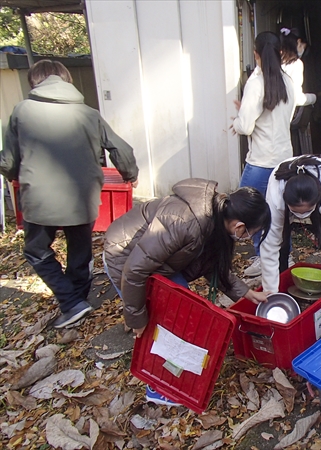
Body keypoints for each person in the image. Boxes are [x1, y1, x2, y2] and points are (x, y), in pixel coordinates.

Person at [103, 179, 271, 405]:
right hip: (123, 255)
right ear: (239, 227)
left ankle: (172, 370)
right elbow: (134, 271)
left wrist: (248, 294)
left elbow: (213, 266)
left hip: (160, 264)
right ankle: (157, 386)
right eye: (251, 233)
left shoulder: (216, 217)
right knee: (164, 324)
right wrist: (137, 318)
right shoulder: (184, 221)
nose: (248, 239)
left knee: (183, 315)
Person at [0, 59, 138, 329]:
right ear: (67, 81)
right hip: (82, 196)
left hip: (39, 198)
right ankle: (76, 300)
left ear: (34, 82)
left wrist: (13, 175)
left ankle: (71, 302)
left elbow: (8, 161)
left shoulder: (21, 111)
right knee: (79, 252)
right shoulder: (89, 113)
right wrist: (129, 174)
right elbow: (121, 150)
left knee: (36, 250)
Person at [231, 31, 297, 277]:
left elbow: (246, 126)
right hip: (284, 160)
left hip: (260, 163)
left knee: (249, 211)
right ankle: (284, 255)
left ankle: (262, 257)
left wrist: (238, 121)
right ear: (280, 52)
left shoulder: (256, 82)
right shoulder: (288, 81)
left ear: (256, 54)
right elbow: (285, 118)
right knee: (280, 211)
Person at [260, 155, 321, 293]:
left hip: (318, 197)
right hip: (285, 201)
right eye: (296, 212)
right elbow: (269, 248)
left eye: (307, 211)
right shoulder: (276, 196)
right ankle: (281, 290)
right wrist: (270, 293)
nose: (302, 216)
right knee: (281, 248)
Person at [280, 27, 318, 157]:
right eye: (302, 46)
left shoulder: (275, 62)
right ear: (298, 42)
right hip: (290, 115)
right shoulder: (296, 64)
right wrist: (313, 98)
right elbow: (296, 97)